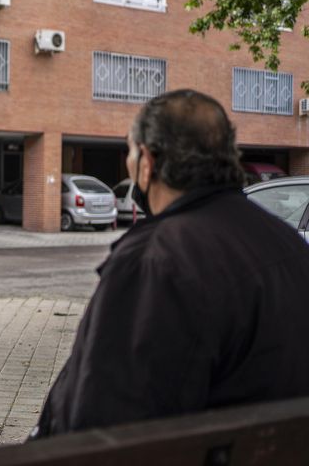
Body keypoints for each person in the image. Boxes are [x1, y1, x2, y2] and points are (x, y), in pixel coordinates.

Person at [30, 89, 309, 438]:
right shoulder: (287, 244)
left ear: (147, 161)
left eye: (130, 152)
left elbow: (104, 426)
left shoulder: (156, 260)